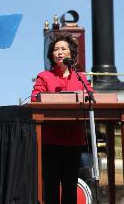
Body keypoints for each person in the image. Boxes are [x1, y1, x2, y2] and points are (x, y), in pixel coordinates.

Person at [31, 33, 93, 204]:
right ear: (51, 55)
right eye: (56, 49)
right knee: (50, 188)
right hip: (51, 141)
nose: (59, 52)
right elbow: (35, 98)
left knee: (70, 188)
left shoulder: (80, 77)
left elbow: (90, 96)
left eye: (63, 49)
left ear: (71, 54)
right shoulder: (44, 77)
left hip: (74, 140)